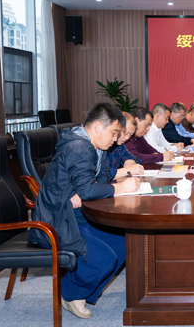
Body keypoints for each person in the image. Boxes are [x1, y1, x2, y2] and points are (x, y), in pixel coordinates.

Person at [28, 103, 142, 319]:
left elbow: (102, 176)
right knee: (104, 259)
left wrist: (86, 191)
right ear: (97, 126)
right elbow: (90, 189)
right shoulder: (78, 147)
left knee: (124, 243)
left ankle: (79, 291)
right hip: (57, 220)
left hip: (77, 214)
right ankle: (70, 293)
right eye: (114, 133)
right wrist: (120, 188)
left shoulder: (96, 146)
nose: (116, 139)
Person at [107, 111, 144, 179]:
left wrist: (131, 161)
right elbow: (101, 174)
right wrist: (126, 171)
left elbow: (135, 159)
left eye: (130, 135)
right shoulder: (103, 145)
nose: (127, 138)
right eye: (126, 133)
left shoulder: (119, 145)